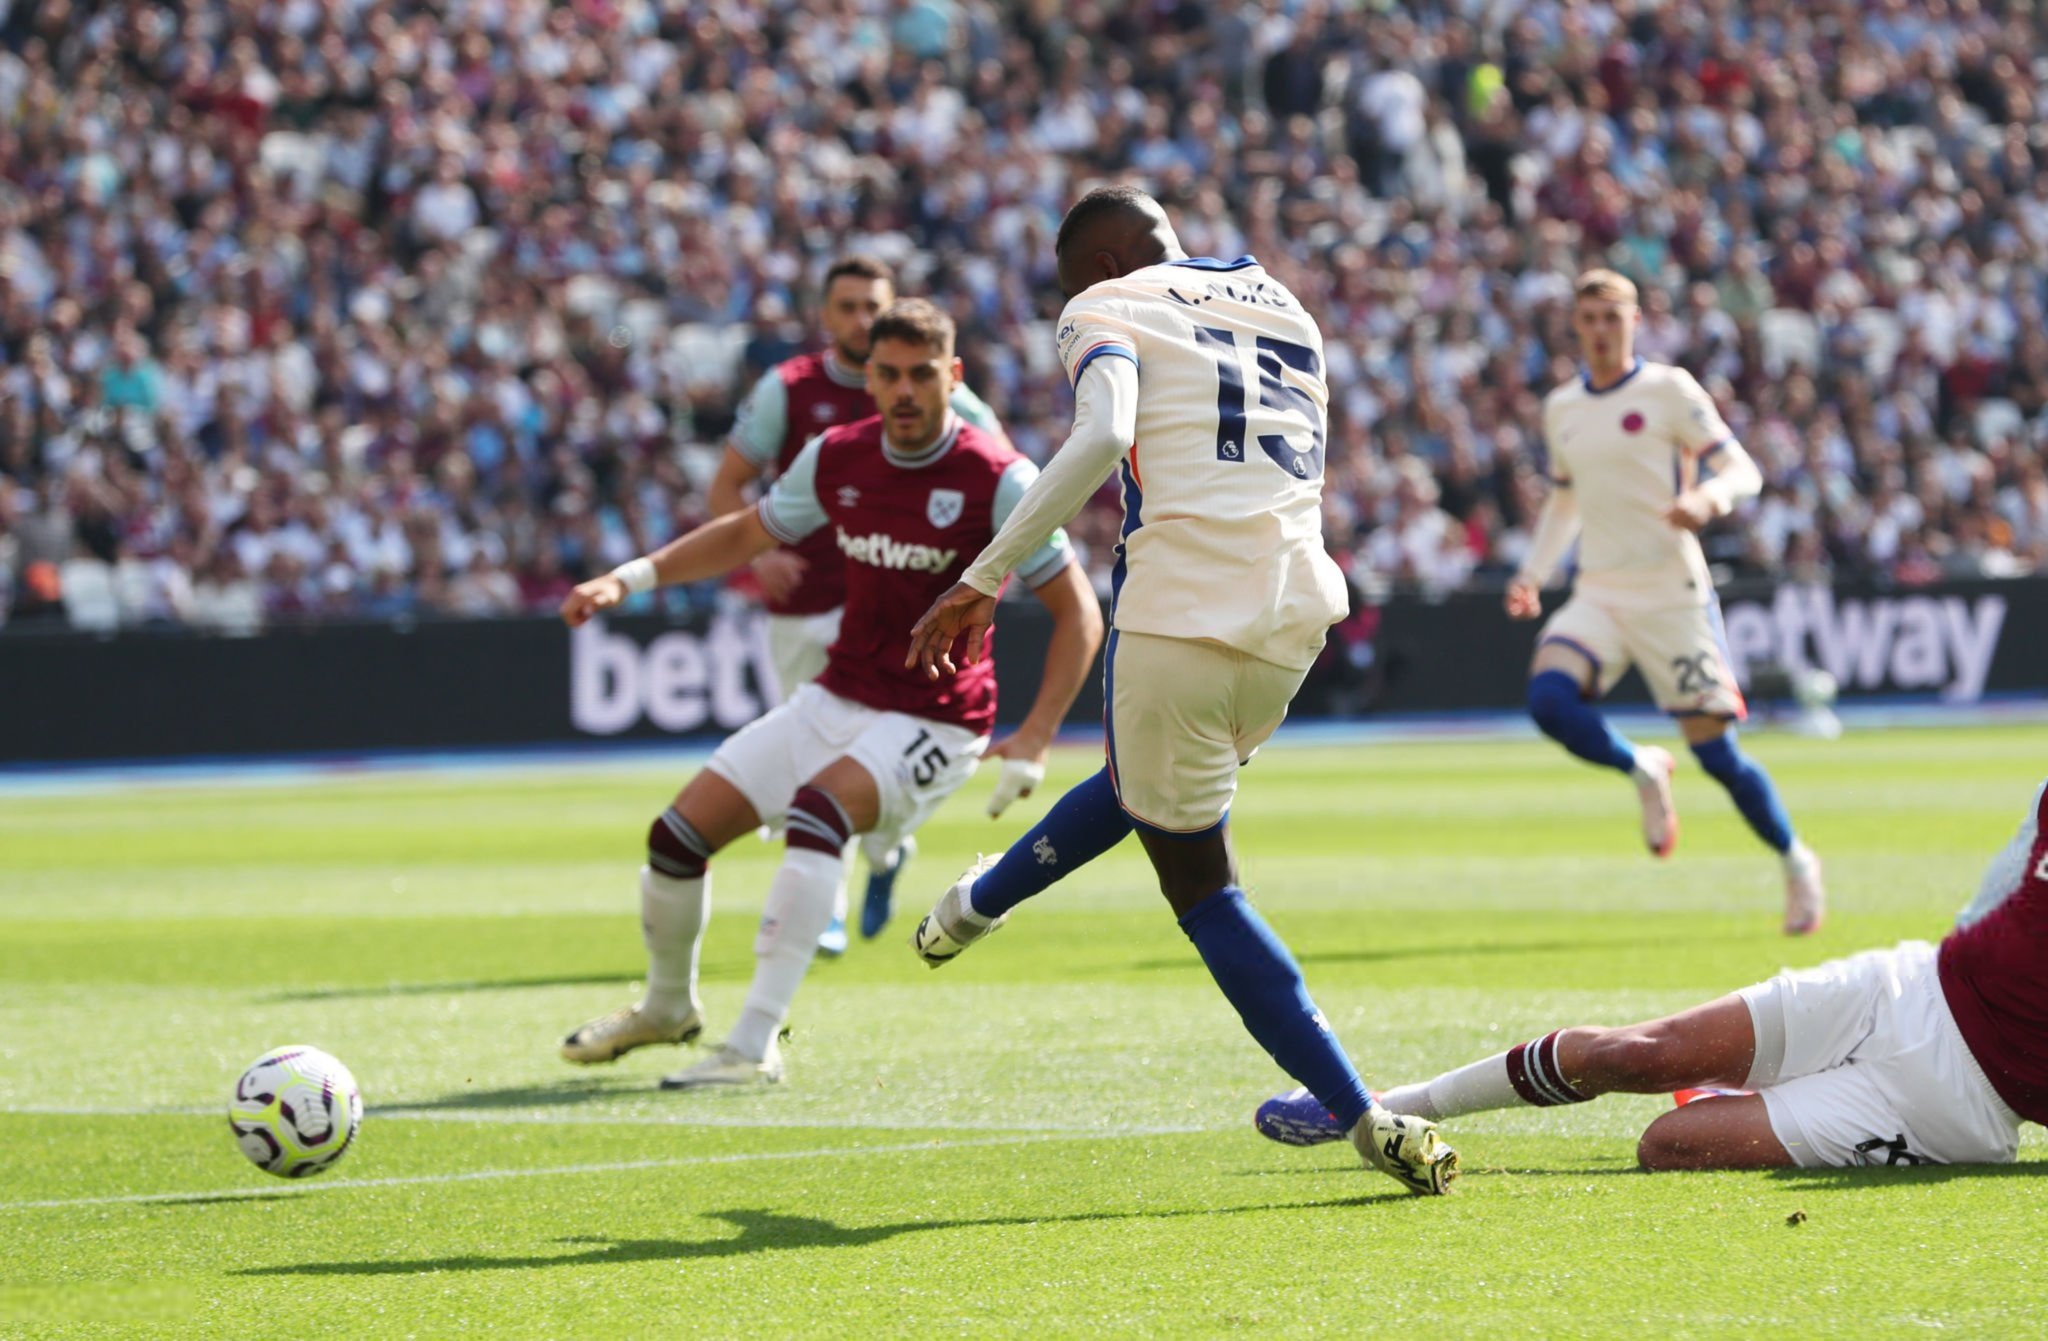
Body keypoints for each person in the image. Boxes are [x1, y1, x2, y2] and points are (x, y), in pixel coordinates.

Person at [903, 186, 1459, 1196]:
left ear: (1099, 264)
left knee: (1200, 887)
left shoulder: (1107, 304)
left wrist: (980, 579)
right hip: (1293, 624)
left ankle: (1360, 1112)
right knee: (1144, 791)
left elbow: (1103, 432)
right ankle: (974, 903)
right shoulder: (1280, 299)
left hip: (1178, 616)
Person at [559, 299, 1101, 1089]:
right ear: (868, 380)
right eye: (889, 374)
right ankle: (668, 1006)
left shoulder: (1000, 479)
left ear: (953, 376)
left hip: (939, 717)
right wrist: (628, 576)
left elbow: (1077, 614)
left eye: (923, 374)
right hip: (838, 694)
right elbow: (746, 533)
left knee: (818, 814)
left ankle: (751, 1045)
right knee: (675, 838)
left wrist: (1039, 736)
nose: (906, 390)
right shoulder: (836, 456)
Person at [1256, 778, 2048, 1171]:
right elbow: (2008, 871)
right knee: (1630, 1053)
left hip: (1954, 1110)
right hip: (1906, 988)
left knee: (1666, 1144)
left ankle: (1746, 1092)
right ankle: (1379, 1108)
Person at [707, 256, 1012, 949]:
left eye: (871, 306)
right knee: (814, 762)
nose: (860, 319)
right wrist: (762, 553)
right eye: (846, 307)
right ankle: (830, 908)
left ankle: (886, 852)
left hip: (902, 616)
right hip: (807, 606)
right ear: (825, 315)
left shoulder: (935, 389)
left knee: (872, 776)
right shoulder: (789, 389)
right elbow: (726, 487)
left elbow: (1010, 481)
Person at [1507, 269, 1825, 934]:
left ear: (1635, 321)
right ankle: (1641, 765)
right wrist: (1534, 571)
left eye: (1611, 318)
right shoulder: (1563, 406)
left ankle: (1795, 859)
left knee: (1717, 755)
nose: (1599, 331)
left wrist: (1706, 499)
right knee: (1549, 701)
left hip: (1672, 596)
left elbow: (1742, 468)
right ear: (1575, 325)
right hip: (1599, 589)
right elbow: (1565, 498)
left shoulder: (1668, 390)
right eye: (1588, 318)